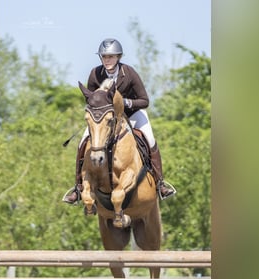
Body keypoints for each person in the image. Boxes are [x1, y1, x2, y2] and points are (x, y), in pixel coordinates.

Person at [63, 38, 175, 204]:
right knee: (83, 142)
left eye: (111, 56)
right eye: (104, 57)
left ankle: (160, 184)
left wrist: (126, 102)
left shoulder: (129, 73)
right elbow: (93, 101)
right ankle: (78, 188)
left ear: (118, 57)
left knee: (150, 139)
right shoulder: (95, 74)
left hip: (132, 113)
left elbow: (145, 100)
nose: (107, 60)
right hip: (106, 119)